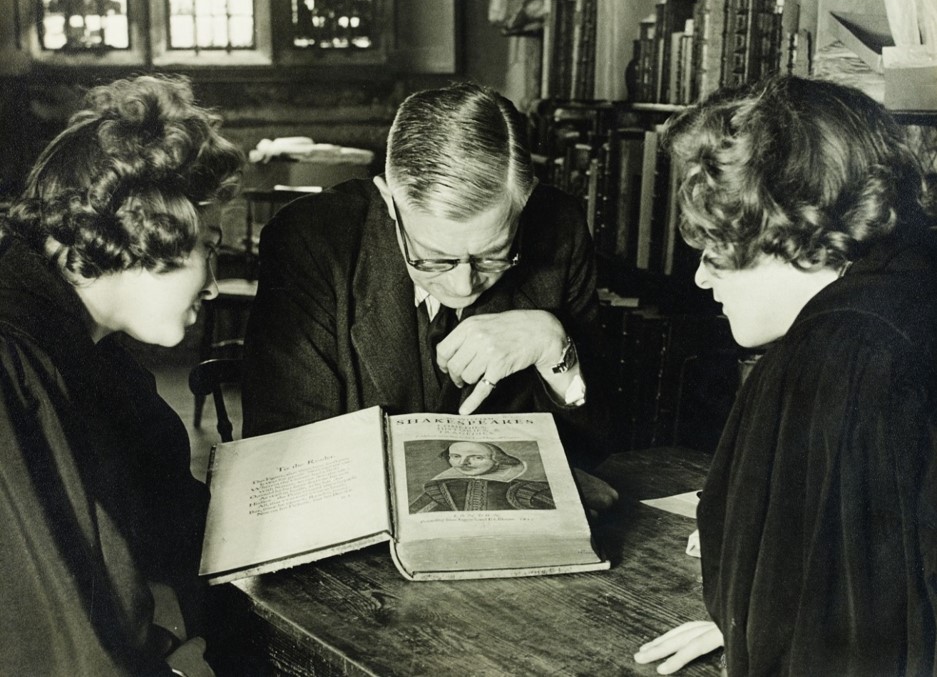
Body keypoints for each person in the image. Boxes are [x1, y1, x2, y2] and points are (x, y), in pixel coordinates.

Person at [633, 75, 937, 676]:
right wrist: (756, 613)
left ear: (789, 231)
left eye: (716, 245)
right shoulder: (908, 282)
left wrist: (767, 631)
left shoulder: (840, 354)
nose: (701, 278)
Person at [241, 81, 620, 481]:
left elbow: (596, 447)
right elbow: (283, 454)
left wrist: (554, 348)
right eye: (433, 258)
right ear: (389, 201)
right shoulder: (311, 241)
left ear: (524, 203)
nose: (463, 286)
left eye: (493, 255)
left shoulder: (560, 229)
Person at [0, 74, 243, 675]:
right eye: (208, 248)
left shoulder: (93, 350)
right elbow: (57, 640)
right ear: (145, 231)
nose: (212, 283)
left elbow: (168, 527)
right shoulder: (13, 365)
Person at [408, 440, 555, 512]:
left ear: (498, 460)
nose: (463, 463)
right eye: (456, 456)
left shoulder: (525, 489)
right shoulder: (440, 488)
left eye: (477, 457)